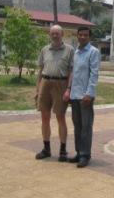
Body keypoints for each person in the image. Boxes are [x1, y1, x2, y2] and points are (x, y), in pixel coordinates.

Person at [35, 24, 74, 162]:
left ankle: (63, 150)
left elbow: (71, 71)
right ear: (49, 35)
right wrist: (37, 88)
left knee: (60, 117)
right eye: (52, 33)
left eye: (57, 33)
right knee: (44, 117)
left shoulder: (69, 50)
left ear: (62, 34)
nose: (55, 35)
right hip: (45, 83)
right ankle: (46, 148)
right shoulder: (45, 50)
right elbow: (40, 70)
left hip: (61, 84)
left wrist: (69, 89)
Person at [64, 26, 100, 168]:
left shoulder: (93, 52)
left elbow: (94, 74)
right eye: (80, 35)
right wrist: (68, 89)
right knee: (77, 126)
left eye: (85, 35)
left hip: (85, 96)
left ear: (89, 37)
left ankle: (85, 155)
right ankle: (79, 152)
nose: (83, 37)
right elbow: (73, 72)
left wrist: (89, 93)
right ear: (77, 36)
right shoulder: (76, 52)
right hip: (74, 95)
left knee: (86, 126)